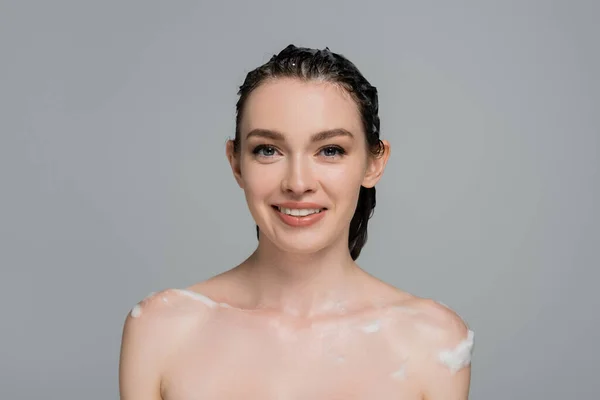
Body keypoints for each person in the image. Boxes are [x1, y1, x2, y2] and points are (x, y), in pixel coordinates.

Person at [119, 44, 474, 399]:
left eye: (330, 150)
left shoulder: (432, 341)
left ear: (373, 163)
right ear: (236, 162)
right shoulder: (163, 330)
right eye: (268, 150)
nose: (298, 183)